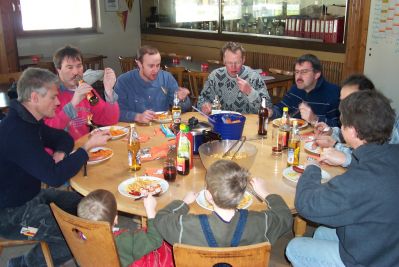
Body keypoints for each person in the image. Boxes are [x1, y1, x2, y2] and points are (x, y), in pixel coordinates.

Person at [0, 68, 111, 267]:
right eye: (53, 97)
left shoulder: (30, 120)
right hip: (10, 214)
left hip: (32, 196)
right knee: (78, 235)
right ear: (34, 97)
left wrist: (60, 152)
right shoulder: (17, 132)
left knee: (90, 207)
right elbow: (55, 177)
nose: (59, 102)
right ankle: (22, 264)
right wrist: (85, 149)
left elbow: (64, 138)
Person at [286, 90, 399, 266]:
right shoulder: (391, 153)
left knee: (294, 247)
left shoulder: (360, 180)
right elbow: (378, 172)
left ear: (352, 131)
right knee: (322, 233)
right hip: (386, 240)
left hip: (374, 259)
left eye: (343, 123)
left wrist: (312, 168)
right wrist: (347, 159)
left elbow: (307, 205)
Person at [154, 160, 292, 247]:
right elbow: (285, 216)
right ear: (242, 194)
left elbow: (160, 219)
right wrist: (266, 193)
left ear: (208, 196)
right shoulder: (261, 222)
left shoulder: (187, 226)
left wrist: (183, 203)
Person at [314, 74, 399, 167]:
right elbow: (351, 135)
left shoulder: (388, 127)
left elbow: (375, 162)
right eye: (342, 101)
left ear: (367, 100)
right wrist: (330, 132)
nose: (342, 106)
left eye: (349, 100)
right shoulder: (364, 119)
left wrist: (336, 146)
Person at [44, 45, 120, 140]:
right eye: (69, 67)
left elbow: (109, 120)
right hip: (60, 150)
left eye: (79, 66)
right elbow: (49, 131)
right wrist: (73, 103)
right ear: (58, 70)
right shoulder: (50, 94)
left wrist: (109, 92)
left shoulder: (87, 91)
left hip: (84, 147)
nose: (76, 72)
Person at [78, 189, 164, 267]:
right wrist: (150, 210)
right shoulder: (125, 240)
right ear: (116, 218)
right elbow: (155, 240)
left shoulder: (79, 236)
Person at [115, 45, 191, 123]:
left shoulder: (166, 78)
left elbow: (184, 108)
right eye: (151, 66)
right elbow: (116, 112)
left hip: (162, 128)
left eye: (158, 65)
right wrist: (137, 117)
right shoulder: (124, 81)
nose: (155, 70)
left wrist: (183, 99)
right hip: (135, 128)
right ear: (139, 64)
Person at [197, 42, 272, 114]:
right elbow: (202, 100)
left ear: (243, 60)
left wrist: (250, 92)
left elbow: (267, 108)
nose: (233, 67)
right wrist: (204, 106)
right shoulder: (215, 76)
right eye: (229, 63)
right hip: (222, 121)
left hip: (247, 123)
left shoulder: (254, 77)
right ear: (224, 61)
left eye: (237, 62)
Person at [268, 54, 341, 127]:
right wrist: (271, 112)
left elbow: (339, 128)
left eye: (304, 72)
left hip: (319, 137)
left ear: (317, 74)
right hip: (295, 135)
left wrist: (315, 119)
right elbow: (280, 109)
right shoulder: (295, 89)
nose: (298, 76)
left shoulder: (333, 93)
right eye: (297, 72)